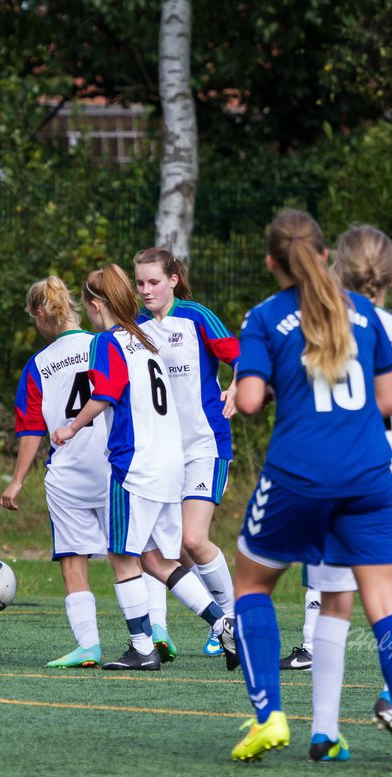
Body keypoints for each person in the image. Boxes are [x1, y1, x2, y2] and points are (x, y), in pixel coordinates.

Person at [227, 209, 392, 774]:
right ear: (323, 255)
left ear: (272, 263)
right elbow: (387, 404)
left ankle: (270, 713)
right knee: (387, 604)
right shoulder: (363, 311)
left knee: (251, 582)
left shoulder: (264, 317)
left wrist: (267, 390)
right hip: (369, 475)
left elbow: (247, 402)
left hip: (299, 476)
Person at [300, 225, 392, 762]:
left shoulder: (313, 325)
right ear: (391, 276)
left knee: (332, 601)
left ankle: (322, 731)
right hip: (389, 470)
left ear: (337, 268)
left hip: (324, 474)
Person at [53, 264, 234, 670]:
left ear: (95, 305)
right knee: (157, 560)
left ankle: (141, 645)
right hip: (170, 463)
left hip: (136, 465)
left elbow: (105, 393)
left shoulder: (107, 341)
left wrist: (71, 427)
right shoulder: (146, 338)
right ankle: (225, 623)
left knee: (122, 556)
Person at [133, 247, 240, 667]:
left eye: (154, 282)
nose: (146, 290)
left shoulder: (197, 316)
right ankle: (170, 628)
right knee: (168, 545)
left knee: (193, 540)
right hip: (161, 455)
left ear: (173, 279)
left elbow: (242, 357)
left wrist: (236, 383)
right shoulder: (136, 327)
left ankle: (234, 622)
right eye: (140, 283)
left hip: (204, 446)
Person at [1, 276, 109, 668]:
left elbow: (32, 429)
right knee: (134, 555)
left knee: (73, 559)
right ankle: (149, 637)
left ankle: (89, 646)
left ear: (42, 314)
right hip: (117, 464)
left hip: (70, 472)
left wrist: (17, 481)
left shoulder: (39, 365)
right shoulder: (104, 344)